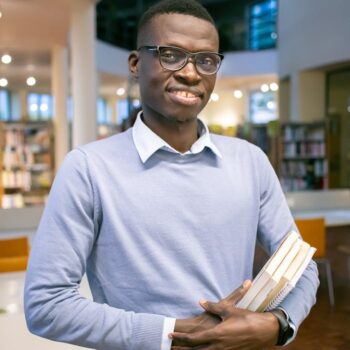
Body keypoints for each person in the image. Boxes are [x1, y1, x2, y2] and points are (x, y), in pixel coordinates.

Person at [24, 1, 319, 349]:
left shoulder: (250, 160)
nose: (191, 73)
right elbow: (46, 305)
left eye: (206, 60)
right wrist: (175, 335)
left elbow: (302, 268)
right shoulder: (88, 168)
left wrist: (277, 325)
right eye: (170, 54)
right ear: (135, 64)